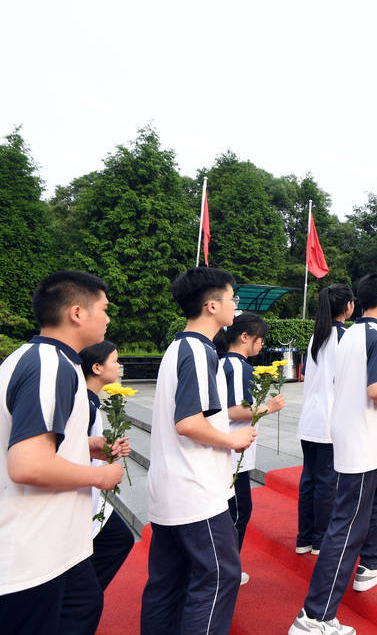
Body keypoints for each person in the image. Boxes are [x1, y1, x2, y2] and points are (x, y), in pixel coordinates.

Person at [1, 271, 123, 635]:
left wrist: (85, 445)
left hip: (55, 547)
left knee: (84, 603)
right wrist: (99, 476)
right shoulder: (49, 364)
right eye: (103, 309)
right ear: (76, 313)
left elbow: (28, 440)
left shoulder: (48, 361)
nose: (108, 318)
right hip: (31, 552)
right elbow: (27, 464)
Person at [290, 274, 377, 635]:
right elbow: (375, 389)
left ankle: (373, 562)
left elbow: (351, 389)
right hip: (359, 444)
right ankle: (315, 615)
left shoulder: (351, 334)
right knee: (346, 527)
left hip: (353, 433)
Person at [142, 267, 257, 635]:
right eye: (232, 298)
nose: (235, 307)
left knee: (168, 582)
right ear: (211, 306)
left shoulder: (180, 347)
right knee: (221, 575)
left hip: (171, 486)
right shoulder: (197, 350)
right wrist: (233, 440)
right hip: (194, 489)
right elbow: (189, 423)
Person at [218, 313, 286, 584]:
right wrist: (269, 407)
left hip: (231, 449)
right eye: (259, 340)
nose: (261, 346)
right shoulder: (238, 366)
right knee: (238, 511)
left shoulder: (223, 363)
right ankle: (227, 569)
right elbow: (234, 410)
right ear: (244, 337)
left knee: (234, 509)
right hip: (235, 451)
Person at [296, 284, 355, 556]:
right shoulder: (345, 336)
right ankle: (321, 540)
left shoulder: (316, 336)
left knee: (310, 480)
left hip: (310, 418)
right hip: (330, 420)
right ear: (348, 307)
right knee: (326, 482)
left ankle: (304, 538)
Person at [78, 340, 135, 592]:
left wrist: (104, 451)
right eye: (115, 360)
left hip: (89, 490)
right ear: (98, 367)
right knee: (117, 540)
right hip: (82, 492)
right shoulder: (85, 404)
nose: (119, 366)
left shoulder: (90, 401)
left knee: (118, 539)